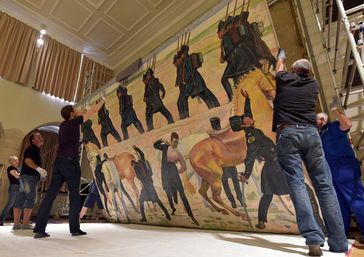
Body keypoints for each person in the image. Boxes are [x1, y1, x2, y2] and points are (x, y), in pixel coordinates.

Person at [273, 49, 348, 256]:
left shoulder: (285, 80)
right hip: (311, 134)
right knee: (325, 186)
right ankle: (340, 243)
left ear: (293, 70)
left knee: (297, 184)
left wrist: (281, 57)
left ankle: (314, 239)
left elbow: (278, 69)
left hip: (288, 133)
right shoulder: (313, 85)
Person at [33, 100, 105, 239]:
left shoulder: (64, 125)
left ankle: (39, 229)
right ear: (72, 114)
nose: (77, 111)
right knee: (74, 196)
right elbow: (91, 112)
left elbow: (83, 114)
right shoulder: (73, 122)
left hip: (58, 163)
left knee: (50, 196)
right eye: (75, 110)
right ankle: (75, 229)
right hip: (70, 164)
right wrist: (102, 100)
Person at [236, 89, 290, 230]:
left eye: (247, 117)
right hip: (274, 164)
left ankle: (261, 220)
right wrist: (246, 174)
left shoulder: (251, 128)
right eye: (245, 120)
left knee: (270, 192)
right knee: (286, 189)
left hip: (274, 162)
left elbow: (248, 113)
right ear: (244, 126)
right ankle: (261, 220)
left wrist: (247, 99)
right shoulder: (251, 137)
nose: (248, 117)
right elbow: (250, 156)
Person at [317, 102, 364, 244]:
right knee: (339, 203)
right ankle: (342, 232)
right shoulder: (319, 134)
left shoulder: (332, 127)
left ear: (322, 119)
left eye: (315, 119)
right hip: (331, 172)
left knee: (356, 199)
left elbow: (347, 124)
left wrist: (336, 111)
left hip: (344, 168)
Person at [153, 133, 199, 226]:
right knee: (168, 192)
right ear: (171, 140)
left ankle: (191, 216)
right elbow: (155, 145)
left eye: (177, 142)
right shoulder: (165, 147)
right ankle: (173, 208)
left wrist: (177, 172)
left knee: (182, 195)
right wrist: (161, 140)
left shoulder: (178, 153)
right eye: (174, 142)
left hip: (174, 174)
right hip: (165, 175)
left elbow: (184, 167)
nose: (175, 144)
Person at [13, 132, 47, 230]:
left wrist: (39, 173)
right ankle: (26, 223)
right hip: (29, 178)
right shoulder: (32, 149)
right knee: (30, 198)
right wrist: (39, 169)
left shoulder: (33, 149)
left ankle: (16, 224)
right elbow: (28, 161)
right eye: (38, 136)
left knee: (21, 198)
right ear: (33, 140)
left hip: (25, 178)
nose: (41, 137)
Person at [131, 145, 170, 222]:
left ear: (133, 164)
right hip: (149, 184)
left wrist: (136, 171)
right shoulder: (142, 161)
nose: (133, 166)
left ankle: (145, 218)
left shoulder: (136, 168)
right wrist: (137, 148)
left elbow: (139, 178)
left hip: (146, 186)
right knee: (155, 200)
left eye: (132, 165)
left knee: (143, 200)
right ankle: (166, 214)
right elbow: (142, 154)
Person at [0, 156, 20, 226]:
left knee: (17, 205)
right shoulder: (11, 168)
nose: (17, 161)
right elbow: (17, 176)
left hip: (19, 188)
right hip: (14, 187)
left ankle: (17, 221)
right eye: (15, 160)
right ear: (11, 161)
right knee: (10, 204)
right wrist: (24, 173)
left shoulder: (17, 168)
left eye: (17, 160)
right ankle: (0, 220)